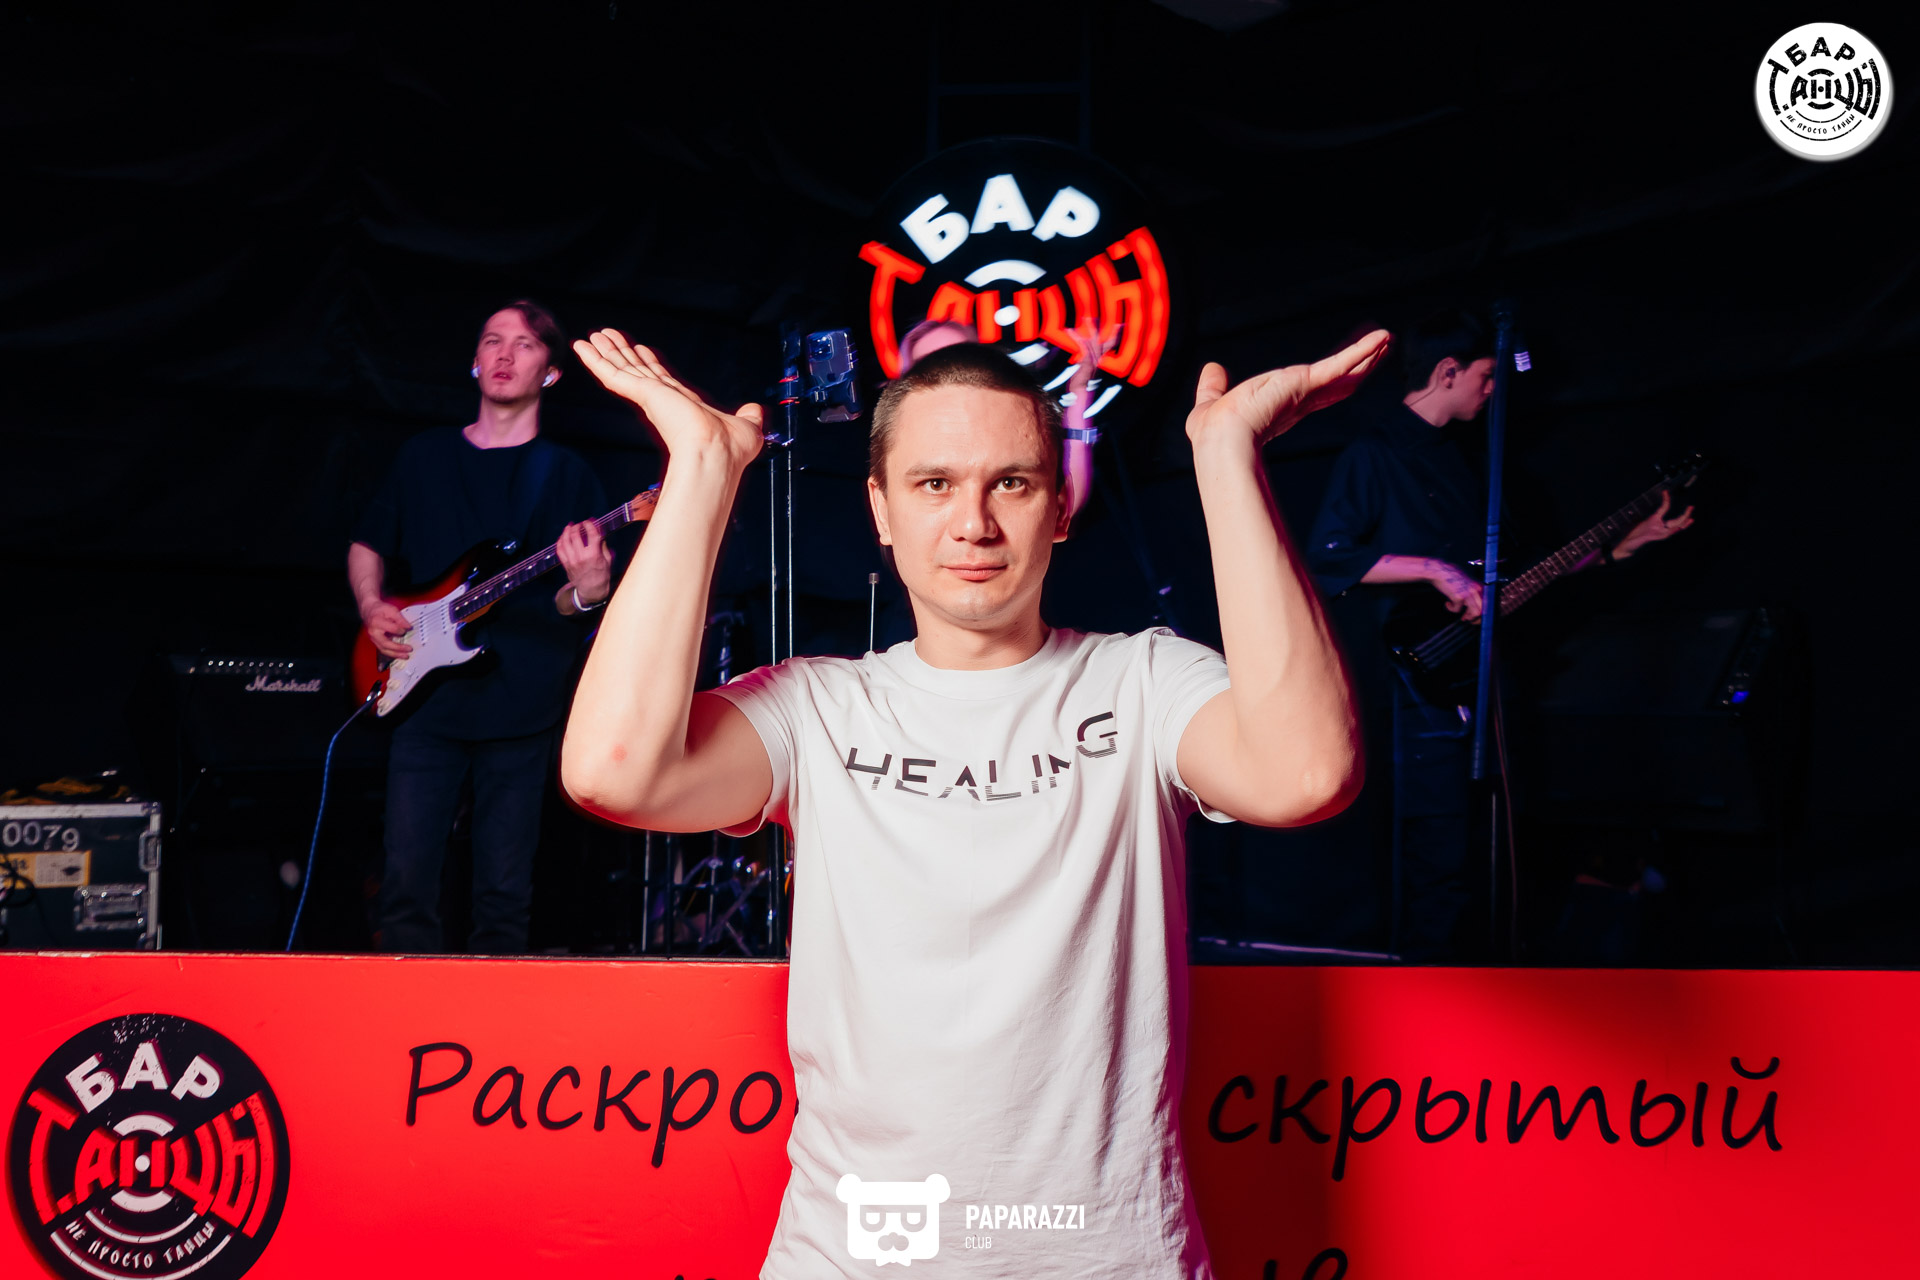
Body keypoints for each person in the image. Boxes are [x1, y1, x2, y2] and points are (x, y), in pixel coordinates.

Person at [559, 326, 1387, 1276]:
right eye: (934, 484)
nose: (974, 524)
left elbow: (1307, 774)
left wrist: (1226, 453)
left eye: (1012, 483)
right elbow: (613, 772)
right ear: (881, 507)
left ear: (1061, 505)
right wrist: (704, 469)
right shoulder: (818, 706)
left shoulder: (1143, 683)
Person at [1305, 311, 1693, 959]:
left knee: (1495, 848)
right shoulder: (1373, 455)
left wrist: (1619, 549)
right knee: (1438, 857)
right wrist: (1435, 571)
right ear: (1446, 372)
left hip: (1487, 685)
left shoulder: (1471, 462)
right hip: (1415, 688)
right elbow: (1327, 558)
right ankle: (1425, 991)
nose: (1493, 391)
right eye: (1486, 376)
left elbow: (1520, 574)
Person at [349, 300, 613, 953]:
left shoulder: (567, 476)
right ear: (474, 360)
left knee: (503, 896)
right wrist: (372, 606)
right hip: (422, 700)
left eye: (524, 345)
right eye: (492, 340)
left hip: (521, 707)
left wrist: (588, 591)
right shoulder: (424, 456)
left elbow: (563, 605)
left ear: (550, 371)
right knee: (405, 887)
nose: (504, 354)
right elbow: (367, 543)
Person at [897, 316, 1104, 528]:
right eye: (931, 363)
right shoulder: (902, 445)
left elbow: (1063, 505)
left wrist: (1079, 389)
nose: (950, 372)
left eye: (961, 356)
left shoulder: (1009, 432)